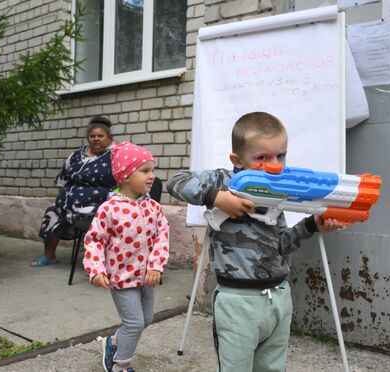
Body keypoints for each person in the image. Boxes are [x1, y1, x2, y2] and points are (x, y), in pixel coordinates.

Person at [166, 112, 343, 372]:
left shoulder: (276, 190)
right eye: (262, 158)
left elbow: (281, 244)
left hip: (278, 298)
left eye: (280, 155)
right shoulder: (224, 180)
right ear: (237, 160)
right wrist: (217, 197)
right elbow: (175, 181)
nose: (274, 165)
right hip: (237, 301)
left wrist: (310, 225)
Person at [83, 142, 169, 372]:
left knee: (146, 320)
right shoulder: (109, 208)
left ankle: (113, 342)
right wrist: (96, 269)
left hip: (147, 277)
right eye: (144, 171)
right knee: (134, 322)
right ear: (124, 176)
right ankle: (121, 365)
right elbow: (94, 240)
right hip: (120, 277)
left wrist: (156, 266)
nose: (152, 176)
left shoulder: (153, 207)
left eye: (152, 170)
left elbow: (162, 235)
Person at [31, 116, 117, 267]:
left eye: (100, 136)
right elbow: (63, 178)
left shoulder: (115, 155)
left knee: (91, 219)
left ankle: (96, 263)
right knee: (52, 213)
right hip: (68, 205)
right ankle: (49, 256)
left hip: (98, 206)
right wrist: (64, 197)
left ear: (108, 138)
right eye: (92, 136)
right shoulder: (77, 155)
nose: (96, 139)